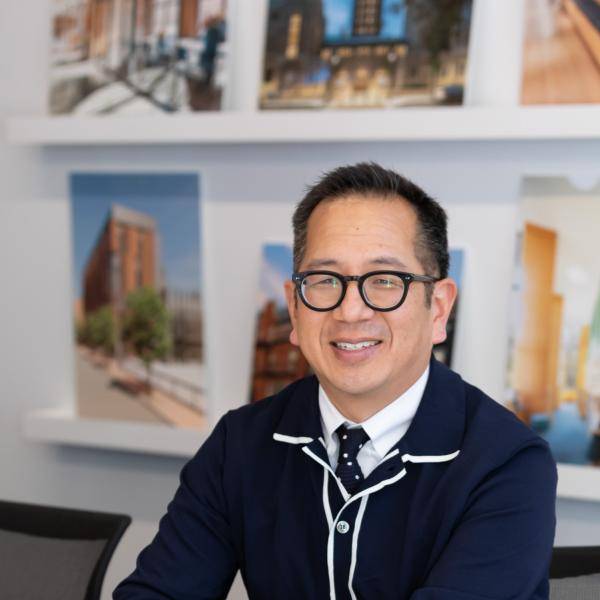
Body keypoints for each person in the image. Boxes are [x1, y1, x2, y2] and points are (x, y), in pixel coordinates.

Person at [114, 162, 557, 599]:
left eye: (385, 280)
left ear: (438, 308)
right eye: (325, 280)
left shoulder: (507, 462)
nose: (350, 311)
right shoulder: (241, 443)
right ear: (294, 306)